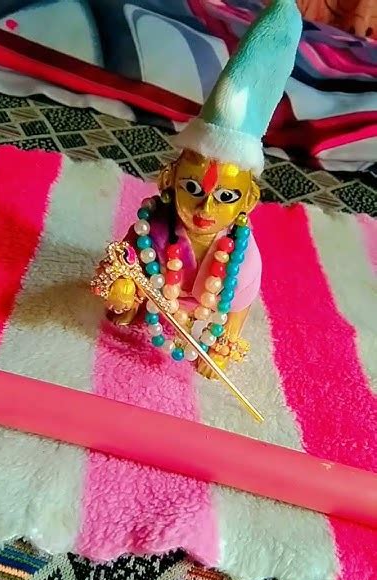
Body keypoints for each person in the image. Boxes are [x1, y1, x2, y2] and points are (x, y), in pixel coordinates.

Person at [92, 0, 302, 378]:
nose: (206, 207)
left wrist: (224, 342)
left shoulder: (241, 255)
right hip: (159, 297)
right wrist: (124, 292)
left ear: (249, 199)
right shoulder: (151, 229)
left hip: (200, 311)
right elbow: (127, 265)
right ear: (170, 179)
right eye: (192, 187)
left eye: (226, 196)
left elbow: (237, 306)